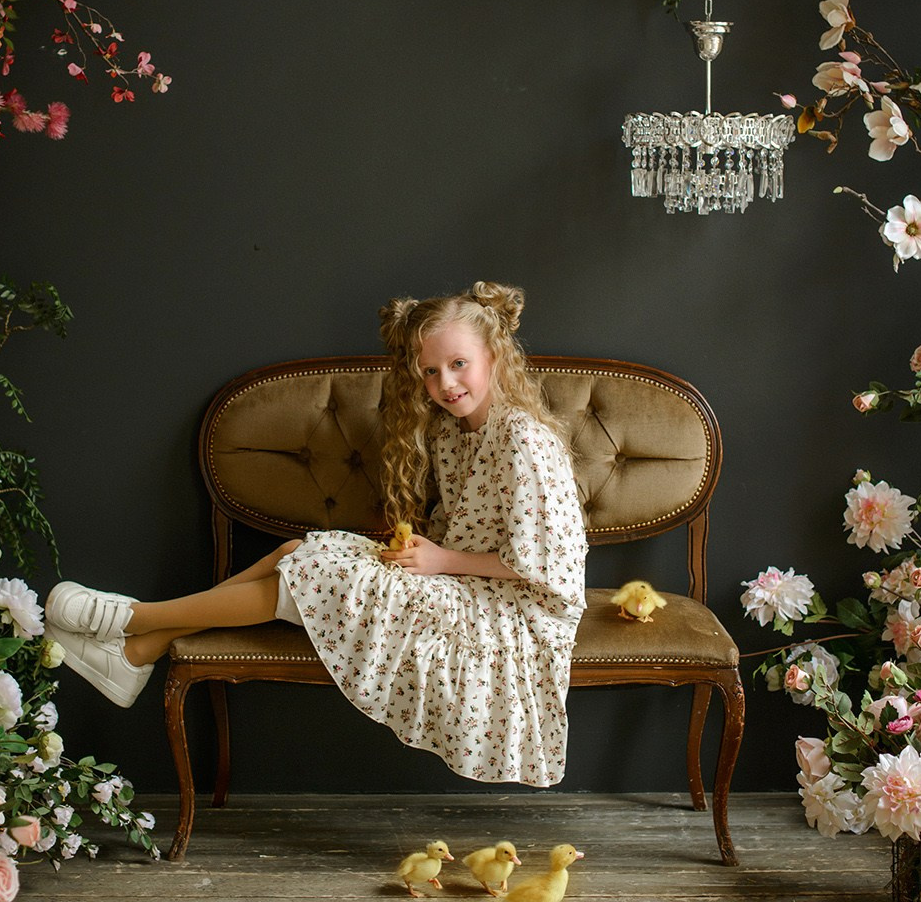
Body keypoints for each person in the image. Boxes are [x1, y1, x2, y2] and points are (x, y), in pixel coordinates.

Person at [45, 281, 588, 786]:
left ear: (494, 355)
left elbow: (549, 565)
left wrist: (443, 560)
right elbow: (462, 530)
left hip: (516, 613)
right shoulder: (454, 434)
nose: (444, 384)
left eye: (459, 364)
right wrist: (419, 552)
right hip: (462, 584)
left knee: (325, 574)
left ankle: (133, 623)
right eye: (429, 371)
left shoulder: (523, 438)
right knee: (301, 551)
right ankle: (139, 652)